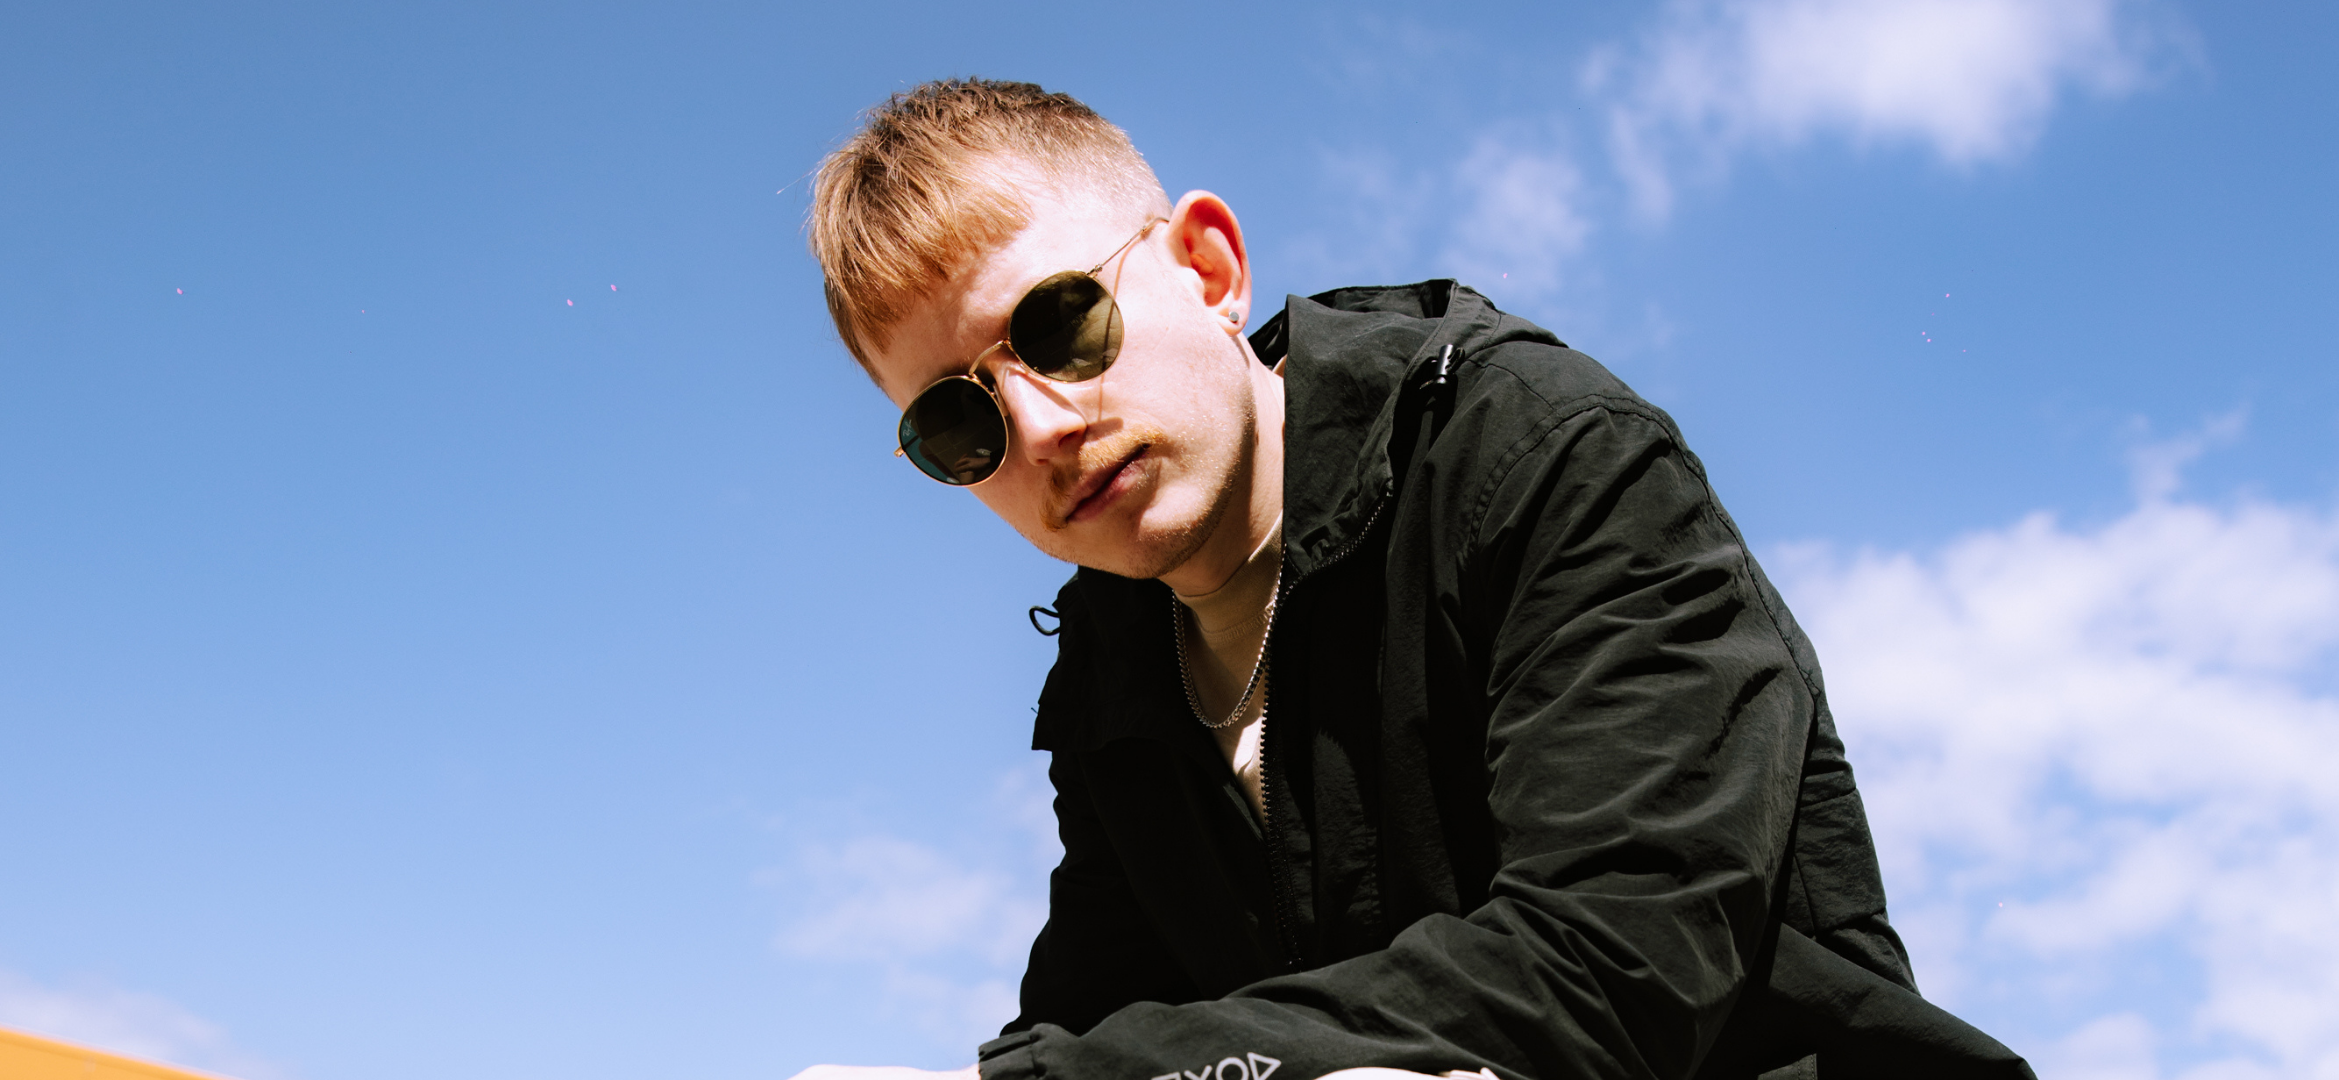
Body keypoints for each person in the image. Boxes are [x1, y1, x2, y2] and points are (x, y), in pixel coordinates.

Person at [795, 78, 2033, 1080]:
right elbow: (1094, 1015)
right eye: (957, 424)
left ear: (1209, 270)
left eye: (1061, 326)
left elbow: (1613, 968)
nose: (1041, 430)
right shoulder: (1113, 670)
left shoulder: (1536, 454)